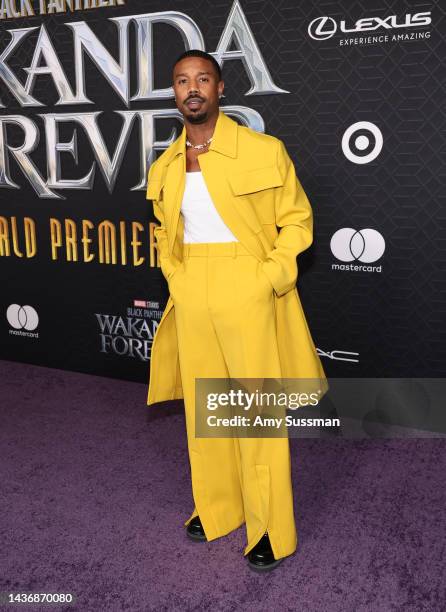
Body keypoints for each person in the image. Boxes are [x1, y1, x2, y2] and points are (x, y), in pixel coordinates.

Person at [146, 49, 327, 571]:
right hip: (191, 288)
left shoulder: (262, 150)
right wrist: (176, 275)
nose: (193, 88)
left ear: (221, 88)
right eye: (182, 81)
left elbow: (296, 222)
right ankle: (218, 507)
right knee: (206, 412)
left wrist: (266, 278)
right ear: (174, 93)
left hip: (247, 283)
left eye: (203, 78)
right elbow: (164, 231)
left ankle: (271, 526)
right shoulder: (163, 165)